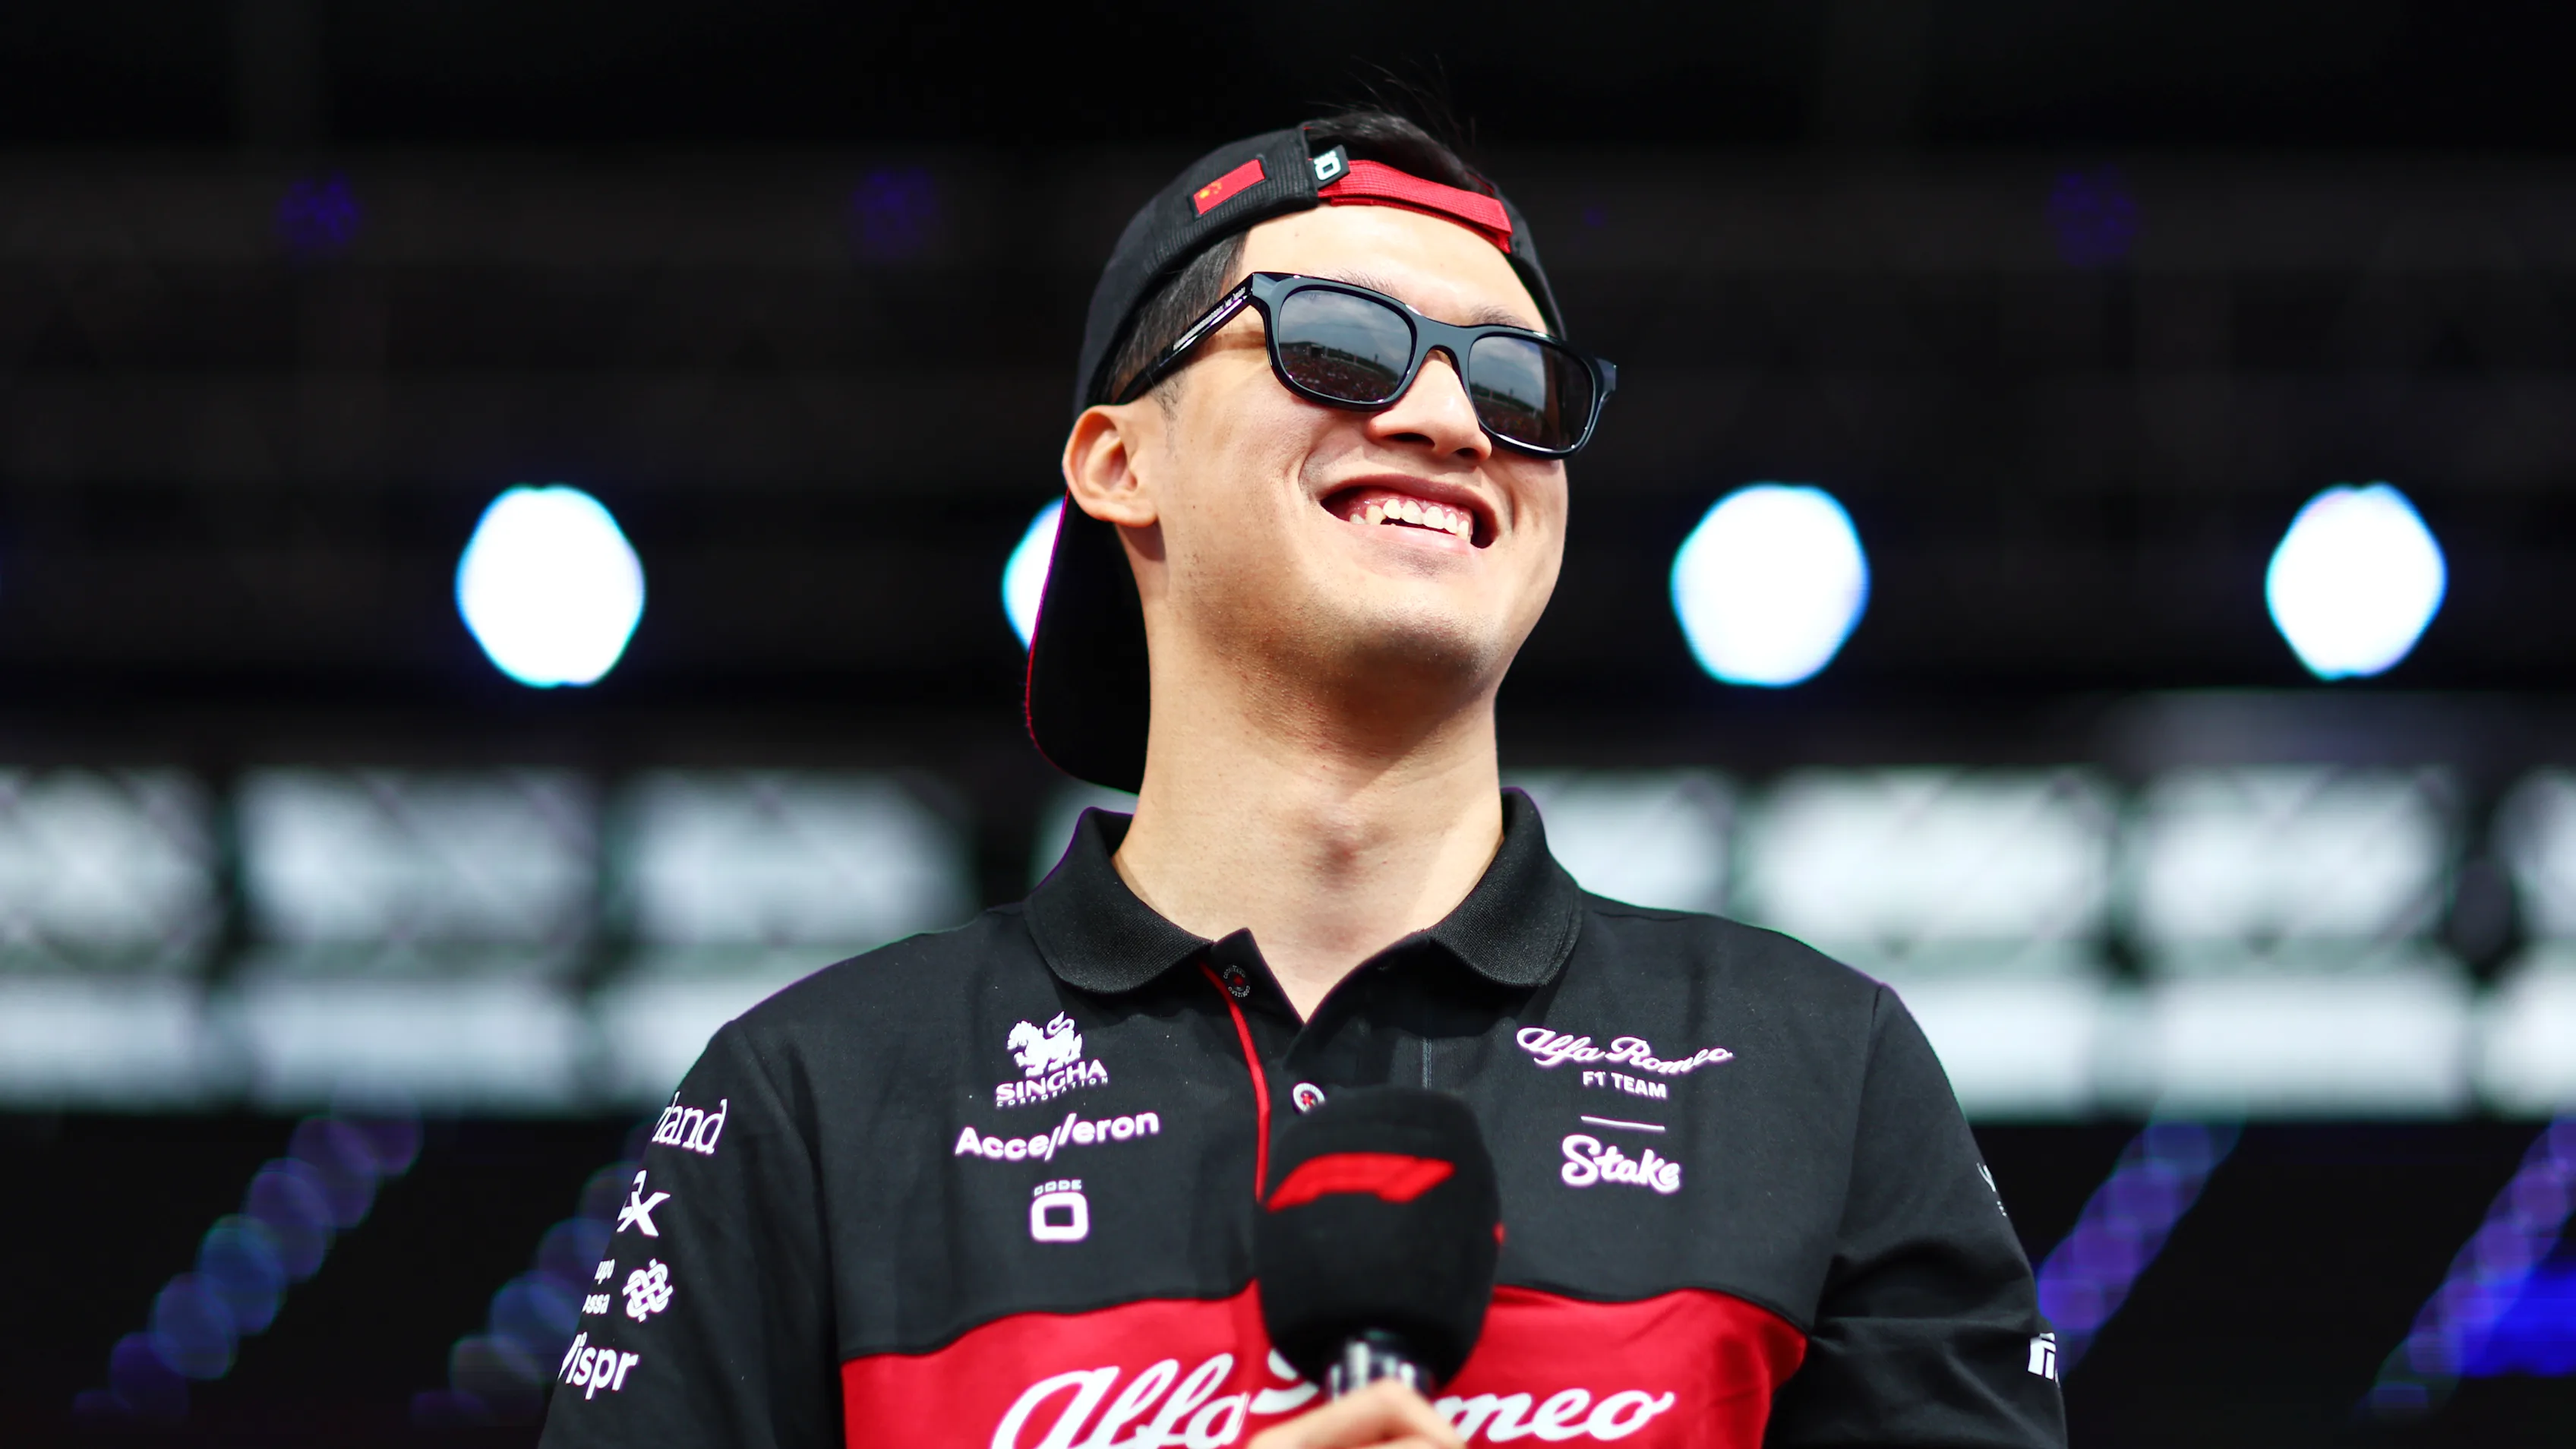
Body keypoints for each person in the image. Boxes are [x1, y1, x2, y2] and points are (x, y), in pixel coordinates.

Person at [539, 111, 2065, 1449]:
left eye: (1518, 384)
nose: (1449, 420)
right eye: (1341, 341)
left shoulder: (1821, 1071)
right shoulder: (813, 1097)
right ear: (1117, 463)